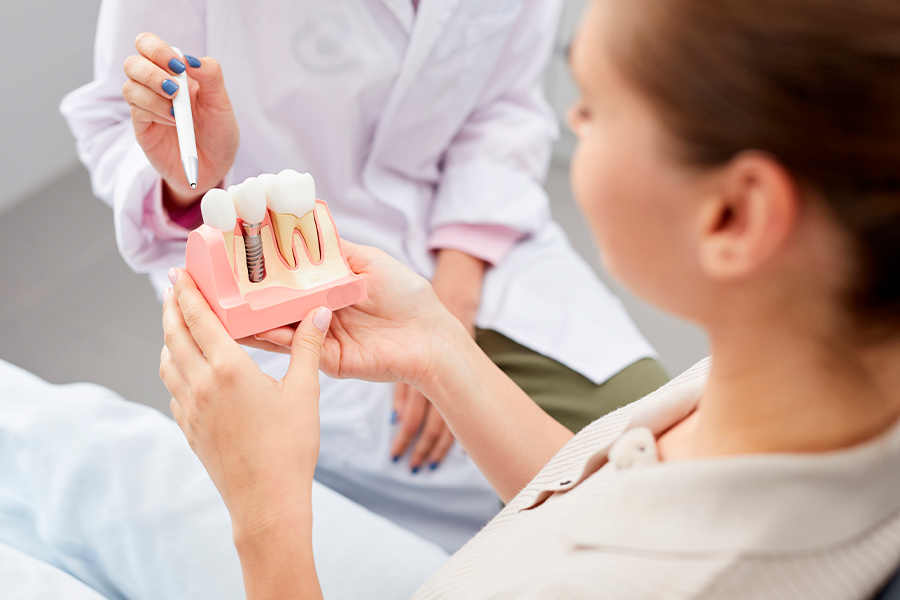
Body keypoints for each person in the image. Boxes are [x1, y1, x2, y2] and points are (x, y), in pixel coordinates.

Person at [154, 0, 900, 597]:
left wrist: (267, 515)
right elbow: (611, 504)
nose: (569, 122)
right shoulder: (796, 391)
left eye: (593, 105)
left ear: (733, 217)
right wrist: (439, 349)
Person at [60, 0, 667, 550]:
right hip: (280, 270)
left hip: (480, 242)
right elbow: (120, 124)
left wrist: (456, 282)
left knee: (655, 454)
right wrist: (191, 176)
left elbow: (504, 105)